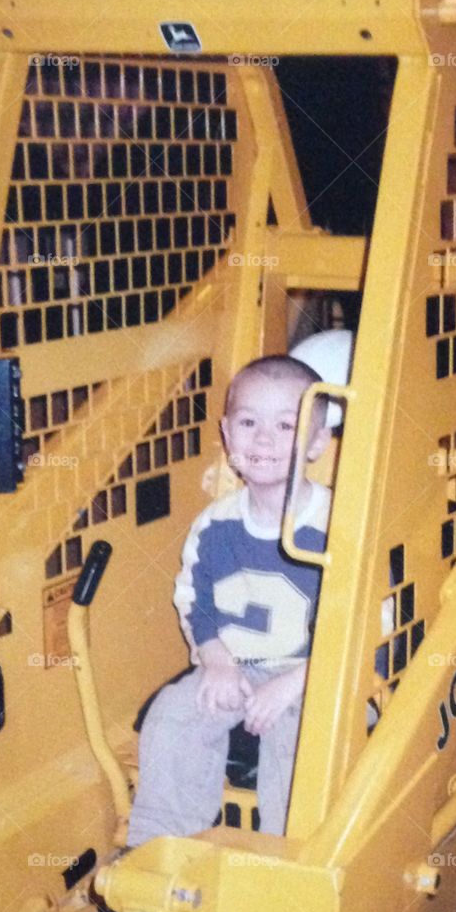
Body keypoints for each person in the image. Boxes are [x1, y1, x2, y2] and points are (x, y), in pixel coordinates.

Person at [126, 355, 332, 847]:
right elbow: (196, 600)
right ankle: (161, 852)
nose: (263, 439)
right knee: (175, 713)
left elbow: (371, 626)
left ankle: (283, 859)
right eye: (248, 422)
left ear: (318, 442)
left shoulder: (340, 525)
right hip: (240, 669)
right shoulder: (216, 525)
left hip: (323, 676)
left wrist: (293, 683)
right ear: (227, 434)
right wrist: (215, 661)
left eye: (286, 425)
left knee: (295, 735)